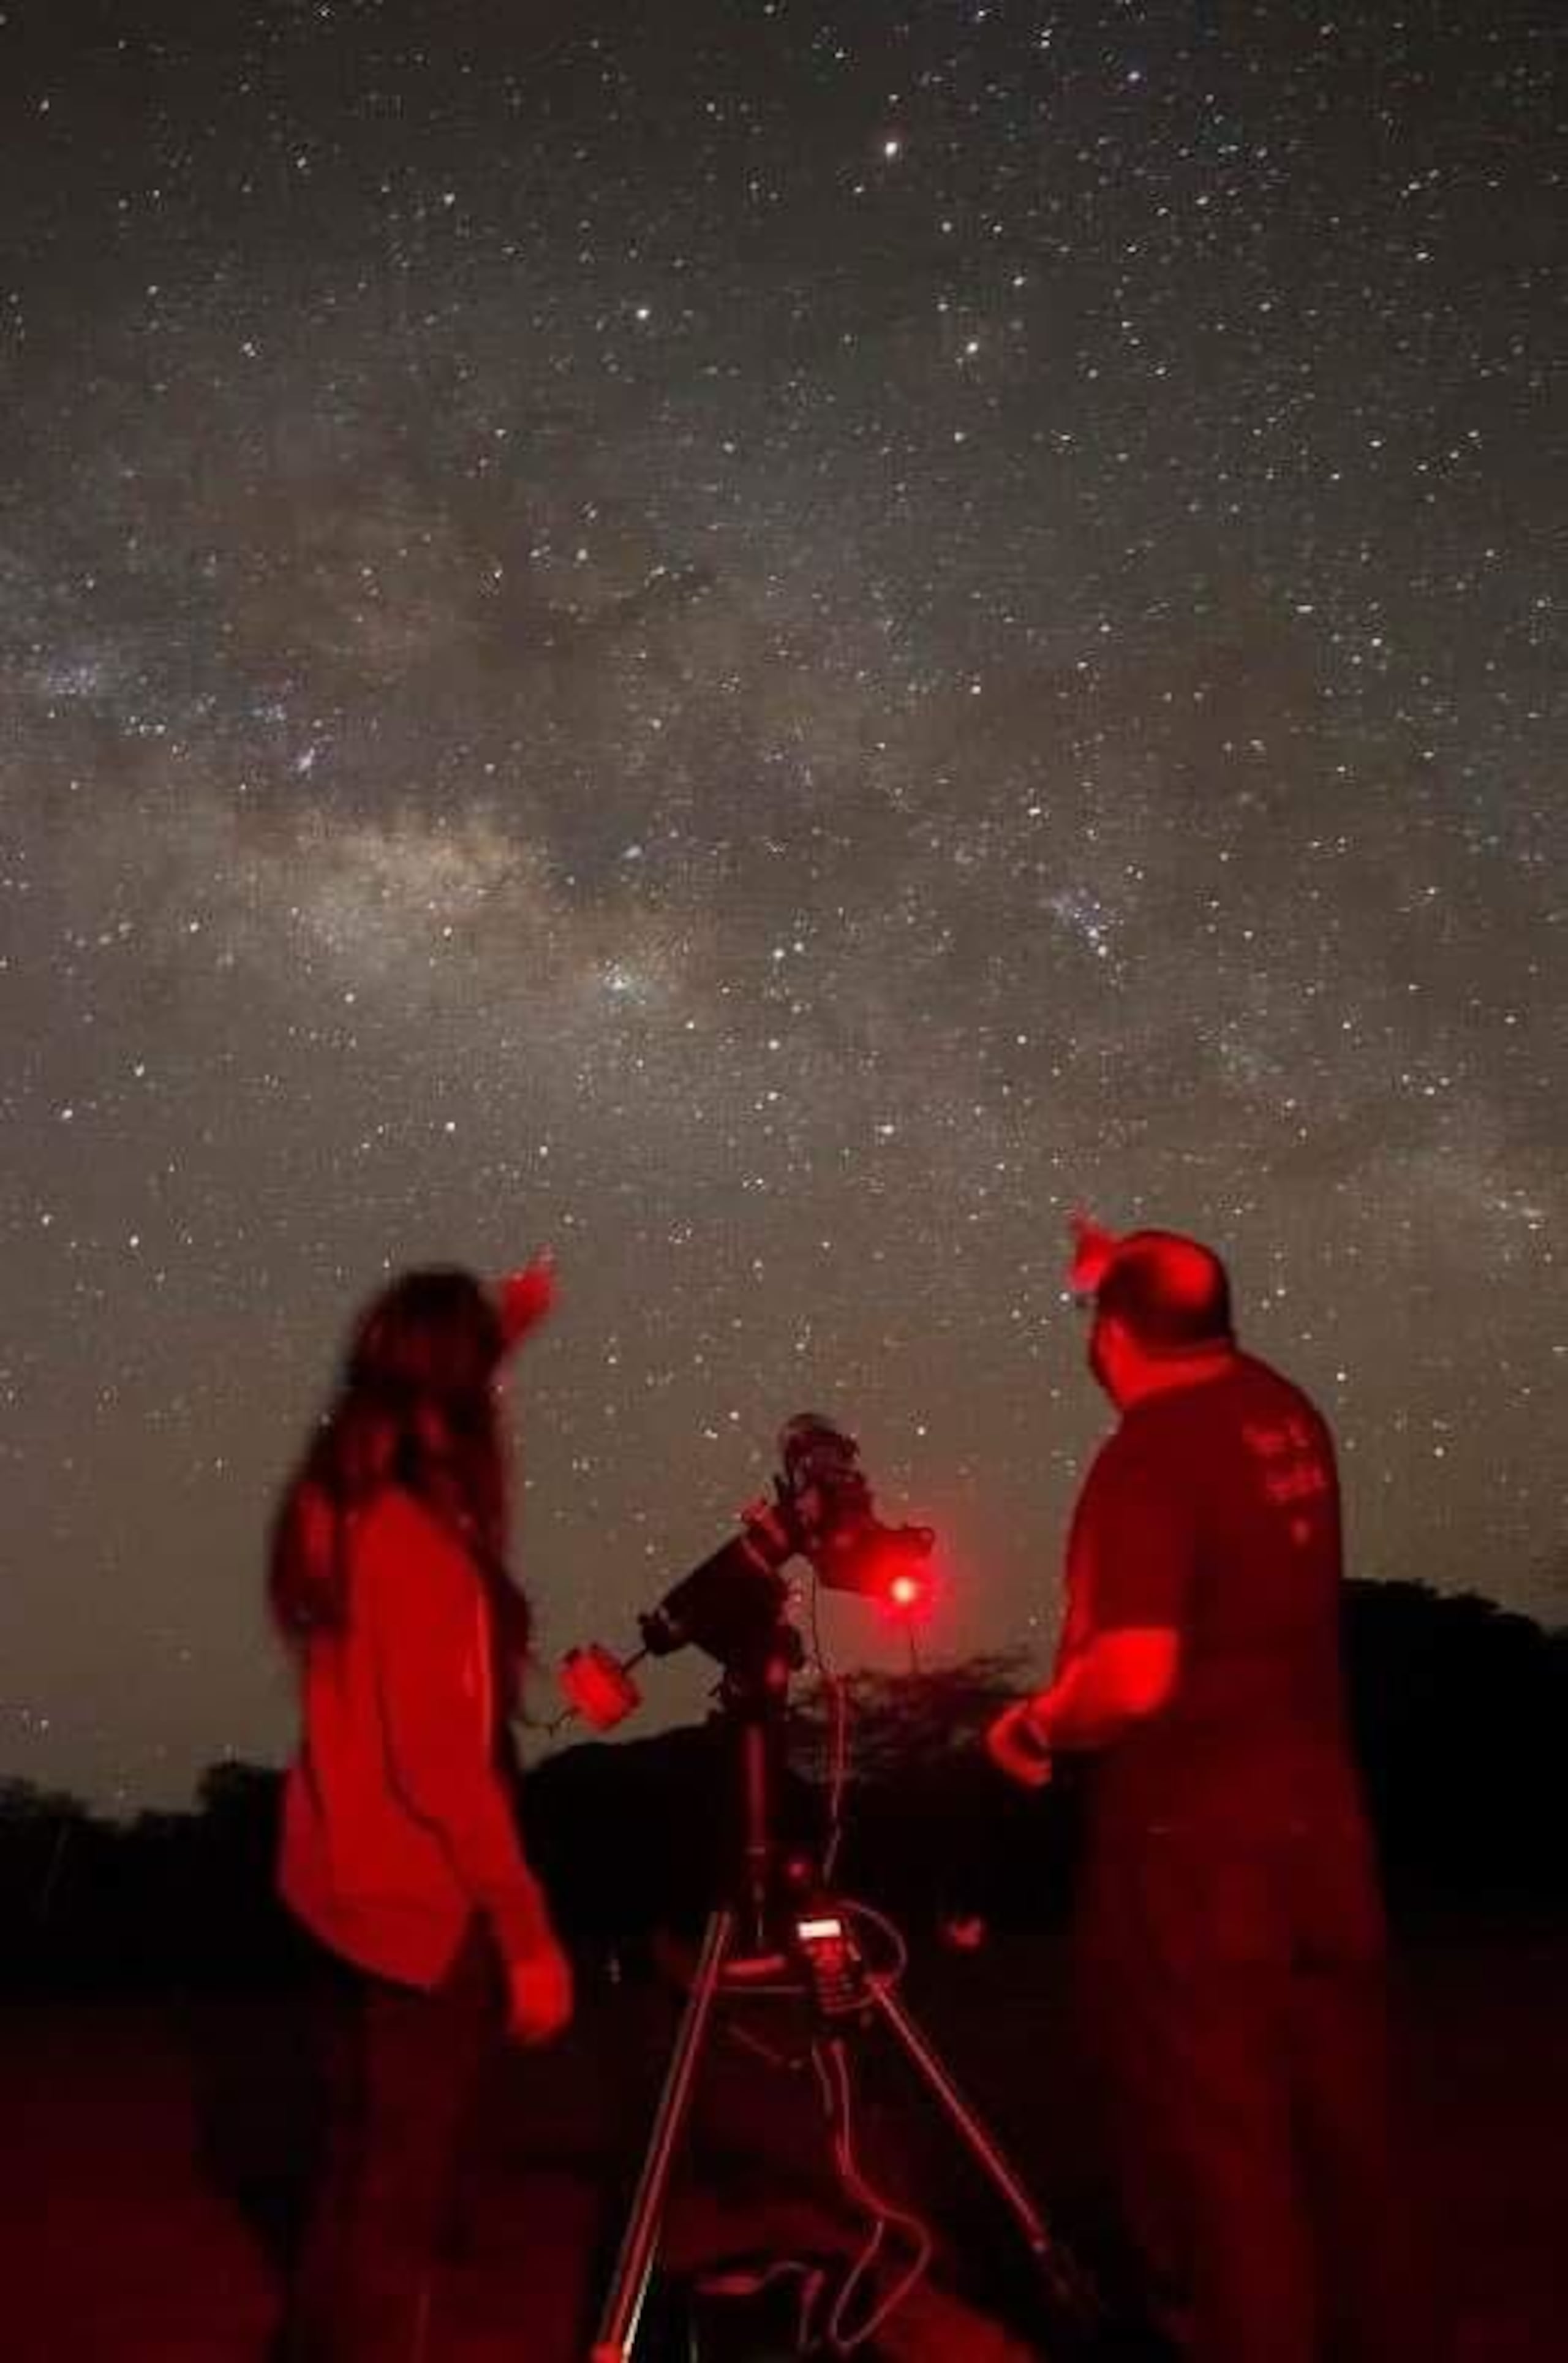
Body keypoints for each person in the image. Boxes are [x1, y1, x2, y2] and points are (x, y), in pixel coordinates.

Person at [987, 1219, 1425, 2363]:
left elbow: (1131, 1678)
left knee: (1223, 2172)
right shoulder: (1283, 1409)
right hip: (1321, 1842)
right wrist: (1114, 1255)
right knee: (1343, 2152)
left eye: (1096, 1314)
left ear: (1115, 1335)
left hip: (1197, 1863)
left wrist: (1038, 1723)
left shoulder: (1150, 1454)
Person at [270, 1258, 573, 2362]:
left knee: (354, 2170)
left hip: (333, 1886)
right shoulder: (422, 1551)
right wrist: (529, 1937)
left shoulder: (331, 1504)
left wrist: (505, 1332)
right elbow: (445, 1770)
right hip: (419, 1908)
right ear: (453, 1401)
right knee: (401, 2205)